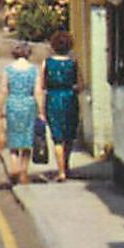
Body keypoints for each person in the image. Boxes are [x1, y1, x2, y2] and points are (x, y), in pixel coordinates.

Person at [0, 41, 44, 188]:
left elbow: (4, 90)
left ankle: (14, 167)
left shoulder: (9, 69)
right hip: (28, 105)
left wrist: (0, 108)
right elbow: (37, 91)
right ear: (28, 54)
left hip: (13, 104)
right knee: (27, 141)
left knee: (13, 140)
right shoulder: (33, 70)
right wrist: (41, 110)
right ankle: (24, 172)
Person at [42, 29, 81, 181]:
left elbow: (42, 84)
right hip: (70, 98)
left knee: (57, 137)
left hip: (53, 98)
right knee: (69, 136)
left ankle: (61, 172)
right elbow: (81, 85)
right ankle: (67, 165)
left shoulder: (47, 63)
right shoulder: (73, 63)